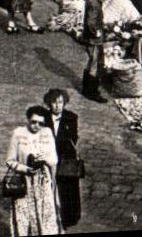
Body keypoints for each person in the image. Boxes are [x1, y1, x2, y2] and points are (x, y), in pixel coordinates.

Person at [5, 104, 61, 236]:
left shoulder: (47, 133)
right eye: (33, 122)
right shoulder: (18, 134)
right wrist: (25, 168)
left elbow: (54, 160)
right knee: (23, 216)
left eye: (41, 123)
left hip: (42, 182)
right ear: (28, 120)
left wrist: (45, 158)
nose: (37, 126)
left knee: (44, 217)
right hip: (23, 182)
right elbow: (10, 160)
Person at [43, 88, 81, 230]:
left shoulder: (71, 118)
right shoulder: (44, 118)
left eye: (60, 102)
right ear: (49, 103)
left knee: (67, 188)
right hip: (49, 157)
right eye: (54, 102)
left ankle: (68, 217)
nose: (58, 105)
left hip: (65, 158)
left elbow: (73, 138)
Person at [80, 0, 107, 103]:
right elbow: (91, 22)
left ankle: (86, 88)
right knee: (94, 64)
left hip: (90, 38)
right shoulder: (94, 3)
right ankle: (92, 91)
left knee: (91, 62)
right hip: (94, 39)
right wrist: (97, 33)